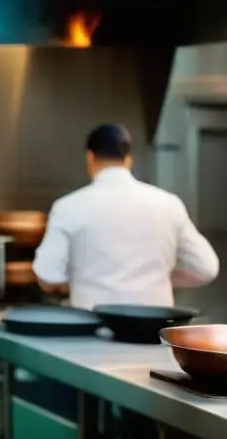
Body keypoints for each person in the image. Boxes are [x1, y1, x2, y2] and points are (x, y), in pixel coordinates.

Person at [33, 123, 219, 309]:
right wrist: (158, 276)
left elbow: (48, 276)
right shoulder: (169, 204)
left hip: (93, 327)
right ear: (129, 160)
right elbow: (206, 268)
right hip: (153, 328)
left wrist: (78, 277)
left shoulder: (68, 207)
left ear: (90, 157)